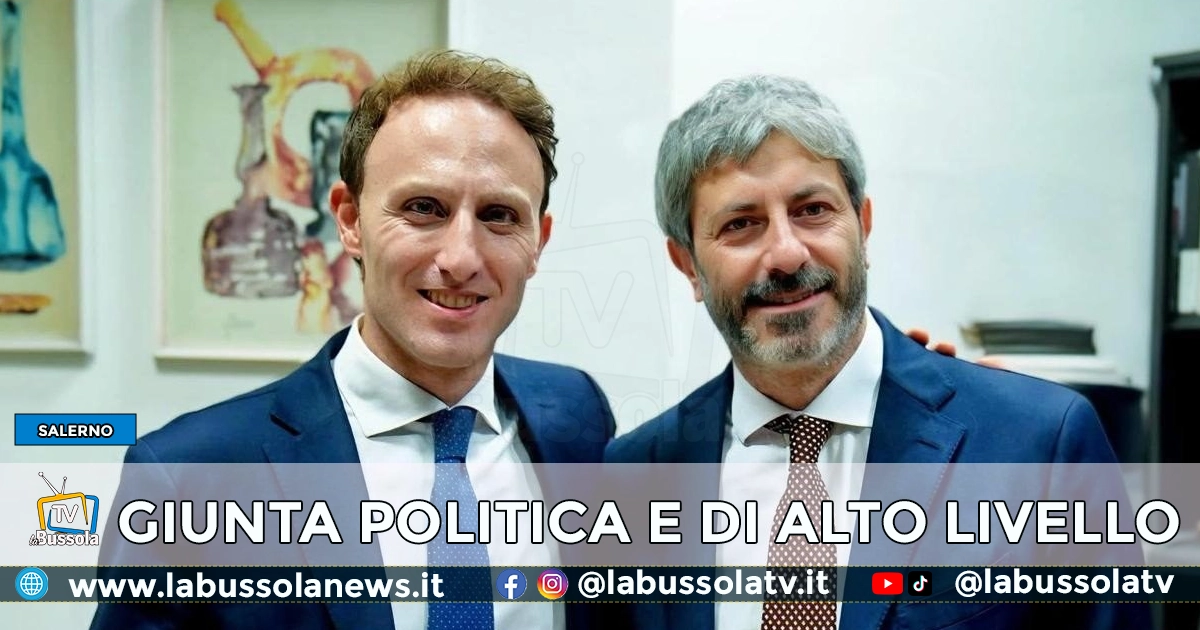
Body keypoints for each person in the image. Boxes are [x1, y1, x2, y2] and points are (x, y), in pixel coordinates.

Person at [91, 50, 614, 630]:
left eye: (499, 215)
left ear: (537, 241)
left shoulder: (578, 417)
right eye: (424, 208)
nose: (461, 258)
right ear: (349, 220)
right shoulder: (188, 476)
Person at [604, 75, 1147, 629]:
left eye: (813, 210)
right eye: (741, 224)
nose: (787, 255)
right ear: (688, 265)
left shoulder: (1039, 444)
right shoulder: (631, 479)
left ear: (863, 227)